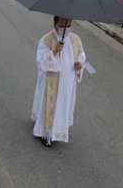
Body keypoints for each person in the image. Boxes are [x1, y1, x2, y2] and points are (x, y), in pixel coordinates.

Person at [31, 17, 86, 147]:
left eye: (69, 24)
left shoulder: (75, 39)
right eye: (63, 23)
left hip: (67, 83)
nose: (66, 27)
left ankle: (59, 131)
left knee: (62, 107)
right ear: (56, 23)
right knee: (49, 106)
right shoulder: (46, 39)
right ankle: (47, 134)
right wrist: (54, 51)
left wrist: (80, 63)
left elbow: (82, 55)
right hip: (51, 81)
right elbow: (41, 62)